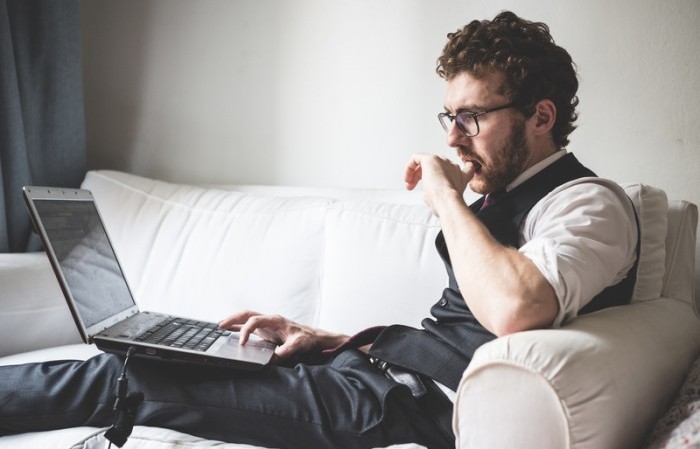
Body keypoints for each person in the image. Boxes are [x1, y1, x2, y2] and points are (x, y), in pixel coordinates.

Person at [0, 10, 638, 449]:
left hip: (400, 410)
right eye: (448, 116)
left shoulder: (588, 204)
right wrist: (327, 340)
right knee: (136, 352)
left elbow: (516, 310)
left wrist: (447, 198)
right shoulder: (503, 199)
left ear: (540, 117)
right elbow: (449, 337)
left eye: (471, 117)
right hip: (375, 379)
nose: (450, 137)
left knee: (117, 380)